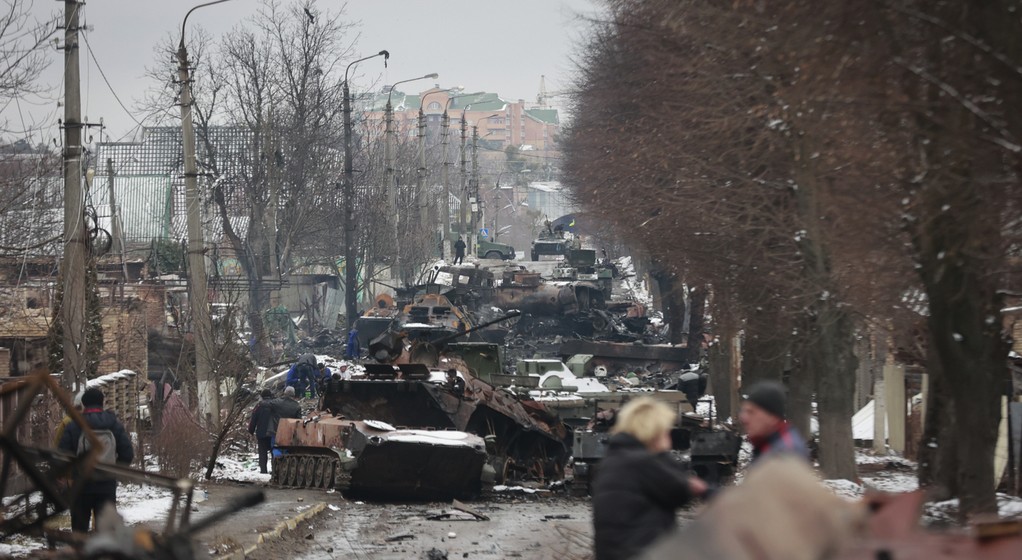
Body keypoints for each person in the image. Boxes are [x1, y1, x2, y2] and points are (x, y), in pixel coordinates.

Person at [592, 397, 708, 560]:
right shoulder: (642, 462)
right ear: (654, 431)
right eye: (666, 430)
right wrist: (663, 454)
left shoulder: (614, 460)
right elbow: (680, 491)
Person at [58, 388, 134, 533]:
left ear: (84, 404)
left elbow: (62, 455)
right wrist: (114, 470)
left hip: (81, 486)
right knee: (105, 532)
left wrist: (69, 474)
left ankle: (80, 553)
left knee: (79, 531)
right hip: (106, 485)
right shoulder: (113, 424)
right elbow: (127, 454)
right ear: (102, 402)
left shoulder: (74, 425)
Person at [740, 381, 809, 463]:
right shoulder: (767, 446)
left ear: (772, 417)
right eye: (744, 411)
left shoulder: (786, 452)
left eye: (751, 412)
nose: (744, 418)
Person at [248, 389, 276, 474]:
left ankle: (263, 470)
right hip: (273, 433)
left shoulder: (258, 406)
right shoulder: (275, 405)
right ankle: (275, 470)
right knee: (273, 452)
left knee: (262, 453)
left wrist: (251, 431)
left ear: (262, 396)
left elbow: (253, 420)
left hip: (261, 433)